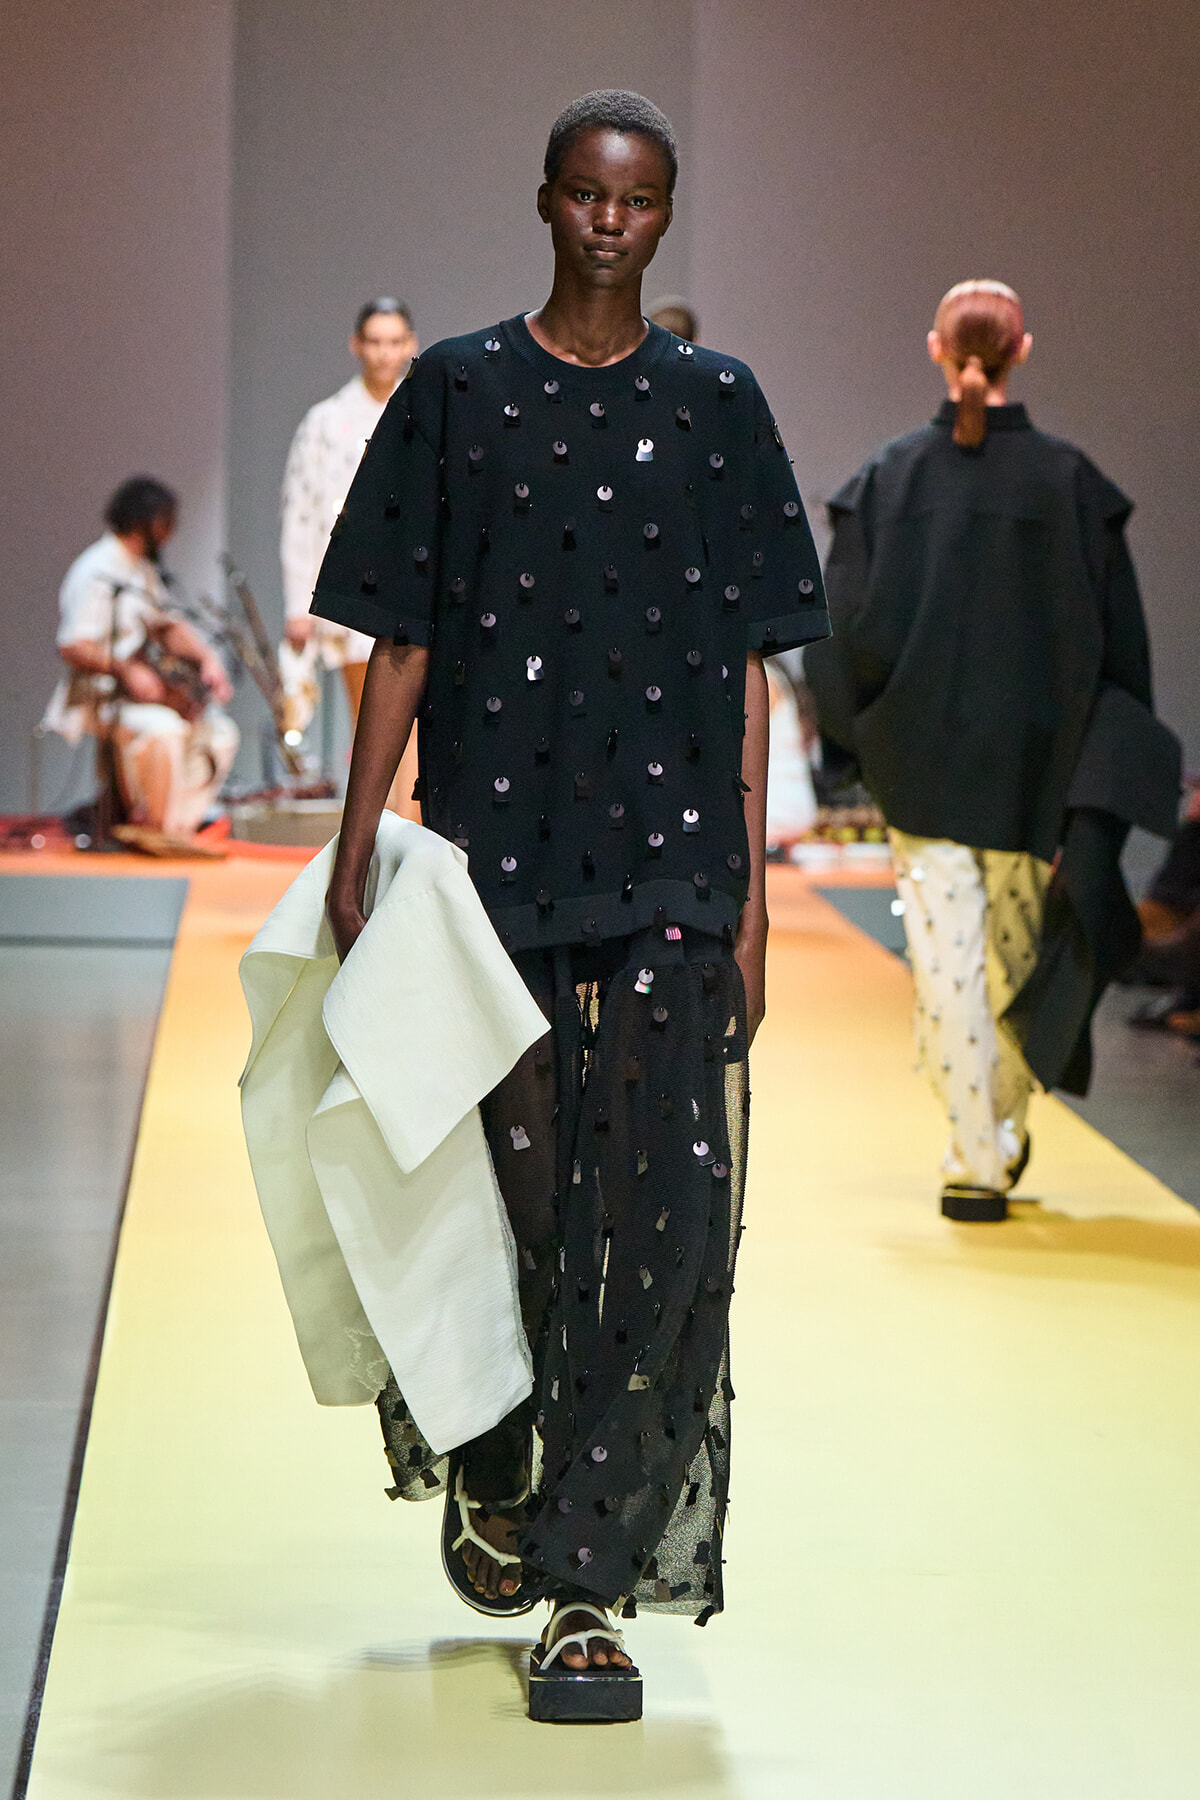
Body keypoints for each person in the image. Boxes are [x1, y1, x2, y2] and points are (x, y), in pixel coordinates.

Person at [309, 90, 828, 1711]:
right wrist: (349, 843)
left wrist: (744, 888)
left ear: (666, 215)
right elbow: (398, 630)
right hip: (491, 847)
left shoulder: (717, 402)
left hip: (671, 850)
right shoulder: (460, 392)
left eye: (642, 200)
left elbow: (752, 652)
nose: (613, 222)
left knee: (662, 1214)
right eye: (590, 196)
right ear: (548, 202)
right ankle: (507, 1451)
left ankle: (587, 1587)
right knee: (519, 1188)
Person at [806, 280, 1170, 1222]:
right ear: (1024, 349)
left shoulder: (889, 481)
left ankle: (978, 1152)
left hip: (921, 774)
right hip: (1034, 780)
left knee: (949, 972)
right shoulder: (1074, 488)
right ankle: (989, 1142)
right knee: (1008, 969)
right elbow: (1117, 658)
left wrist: (862, 750)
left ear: (937, 348)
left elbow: (840, 634)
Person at [280, 297, 420, 814]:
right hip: (352, 593)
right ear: (356, 345)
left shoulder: (424, 409)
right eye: (375, 342)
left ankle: (411, 844)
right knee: (373, 726)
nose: (385, 354)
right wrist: (300, 603)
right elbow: (301, 515)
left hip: (415, 587)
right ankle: (379, 849)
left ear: (411, 345)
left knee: (418, 727)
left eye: (394, 342)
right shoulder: (327, 422)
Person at [46, 477, 238, 842]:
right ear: (146, 521)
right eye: (167, 521)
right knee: (164, 732)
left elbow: (168, 626)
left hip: (141, 693)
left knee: (220, 734)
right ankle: (154, 827)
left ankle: (172, 829)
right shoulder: (97, 568)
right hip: (105, 694)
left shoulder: (141, 570)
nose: (171, 531)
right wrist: (126, 668)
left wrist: (209, 659)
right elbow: (73, 646)